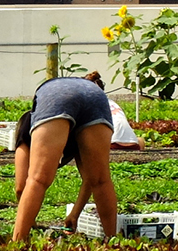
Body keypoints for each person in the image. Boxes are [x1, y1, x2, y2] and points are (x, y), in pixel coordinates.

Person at [12, 74, 117, 241]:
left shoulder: (27, 124)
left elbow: (20, 187)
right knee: (101, 180)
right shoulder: (88, 96)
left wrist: (29, 224)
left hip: (55, 95)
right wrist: (75, 214)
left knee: (38, 179)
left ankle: (17, 245)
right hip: (96, 97)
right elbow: (91, 180)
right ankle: (113, 243)